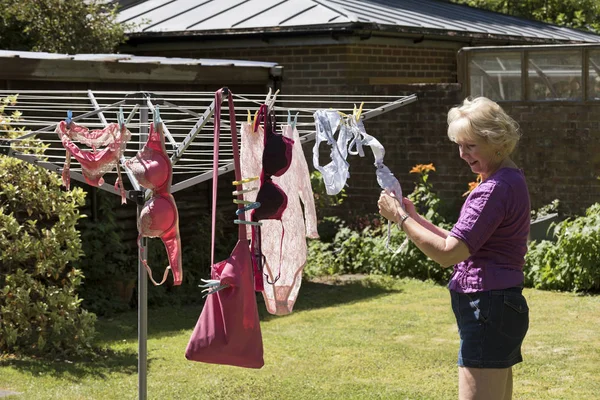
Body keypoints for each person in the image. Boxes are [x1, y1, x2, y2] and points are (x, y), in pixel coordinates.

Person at [378, 97, 530, 400]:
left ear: (495, 141)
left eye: (470, 146)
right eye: (459, 146)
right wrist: (415, 217)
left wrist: (400, 217)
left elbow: (448, 254)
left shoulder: (492, 190)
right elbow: (464, 242)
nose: (462, 155)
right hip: (501, 308)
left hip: (486, 308)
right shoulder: (510, 180)